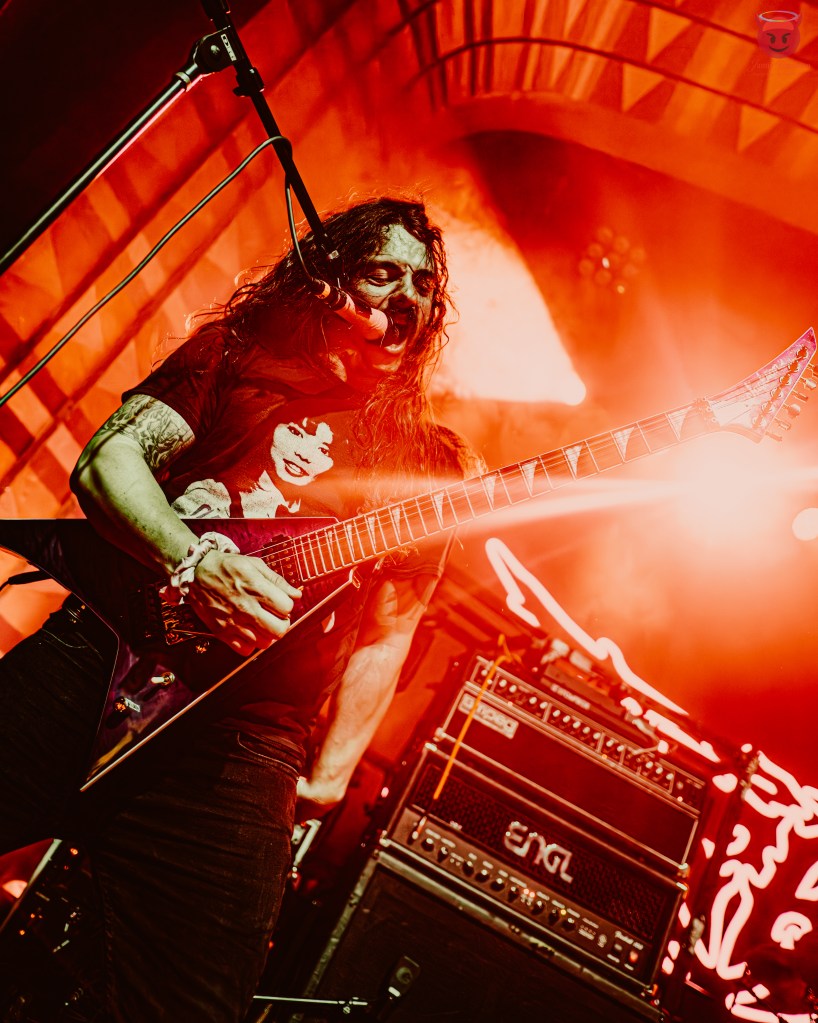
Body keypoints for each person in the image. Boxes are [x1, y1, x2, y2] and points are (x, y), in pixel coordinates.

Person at [0, 197, 476, 1022]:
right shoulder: (232, 356)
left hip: (245, 738)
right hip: (99, 657)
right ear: (328, 280)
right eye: (383, 273)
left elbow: (391, 624)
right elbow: (110, 459)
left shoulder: (427, 463)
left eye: (424, 286)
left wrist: (327, 777)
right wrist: (191, 561)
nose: (407, 298)